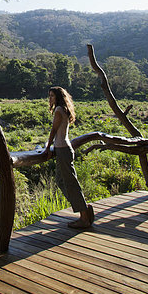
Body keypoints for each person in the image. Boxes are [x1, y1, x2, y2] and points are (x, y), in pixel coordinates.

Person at [43, 86, 94, 229]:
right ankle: (83, 208)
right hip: (62, 149)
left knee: (71, 183)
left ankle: (84, 217)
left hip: (63, 149)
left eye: (52, 96)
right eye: (50, 96)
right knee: (60, 181)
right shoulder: (63, 109)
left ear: (58, 97)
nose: (50, 98)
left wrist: (47, 148)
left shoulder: (59, 110)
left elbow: (54, 130)